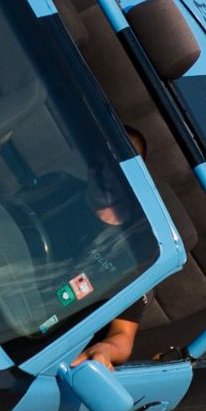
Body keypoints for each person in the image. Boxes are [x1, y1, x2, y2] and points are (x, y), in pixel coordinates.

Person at [72, 127, 153, 370]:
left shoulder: (136, 252)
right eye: (100, 163)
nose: (105, 175)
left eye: (117, 169)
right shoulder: (56, 187)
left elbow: (122, 336)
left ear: (134, 177)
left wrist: (104, 351)